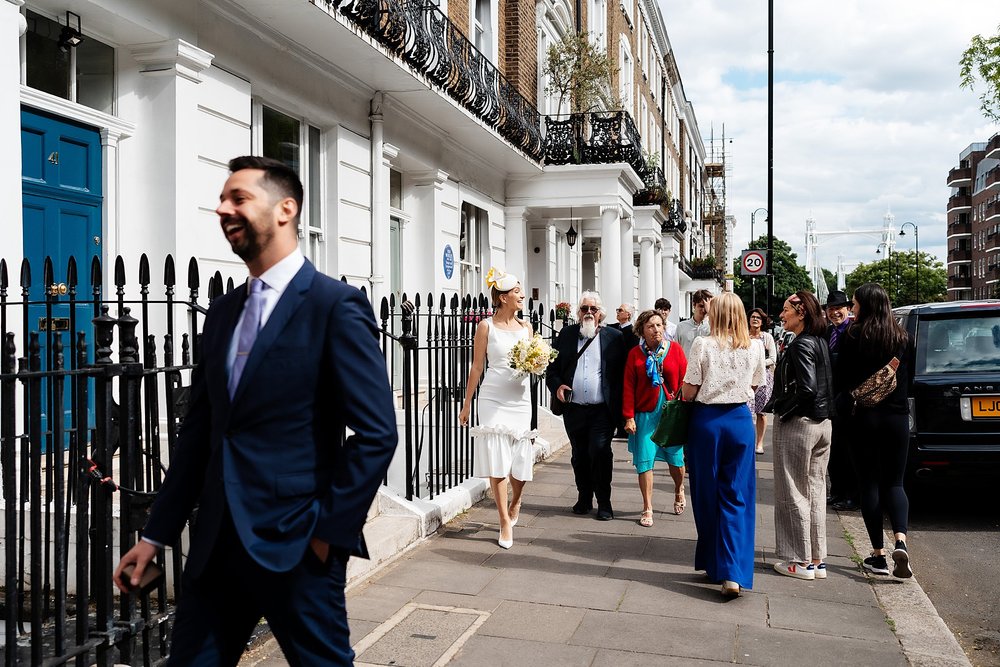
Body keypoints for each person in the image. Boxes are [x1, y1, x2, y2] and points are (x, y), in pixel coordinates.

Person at [113, 156, 398, 666]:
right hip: (216, 544)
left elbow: (377, 433)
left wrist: (326, 533)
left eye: (238, 198)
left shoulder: (335, 306)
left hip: (296, 546)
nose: (223, 209)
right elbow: (201, 432)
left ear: (286, 209)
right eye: (223, 199)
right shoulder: (223, 312)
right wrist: (156, 534)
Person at [681, 291, 766, 598]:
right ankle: (733, 571)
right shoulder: (755, 347)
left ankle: (714, 562)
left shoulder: (702, 344)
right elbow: (756, 385)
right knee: (737, 495)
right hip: (740, 422)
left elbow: (689, 390)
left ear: (715, 314)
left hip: (708, 423)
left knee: (707, 494)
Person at [834, 282, 914, 579]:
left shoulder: (852, 336)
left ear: (865, 305)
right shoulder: (903, 338)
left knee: (868, 484)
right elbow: (910, 382)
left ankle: (879, 557)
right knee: (895, 483)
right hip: (896, 420)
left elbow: (841, 381)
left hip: (862, 419)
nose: (852, 308)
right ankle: (901, 541)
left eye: (854, 303)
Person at [459, 268, 534, 549]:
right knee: (498, 458)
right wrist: (467, 403)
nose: (522, 295)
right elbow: (477, 367)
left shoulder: (527, 328)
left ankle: (516, 502)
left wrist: (537, 364)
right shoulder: (485, 327)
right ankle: (503, 519)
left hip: (520, 398)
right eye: (517, 291)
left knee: (519, 461)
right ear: (502, 298)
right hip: (492, 398)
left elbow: (535, 359)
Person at [766, 291, 834, 581]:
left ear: (801, 312)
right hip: (823, 425)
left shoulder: (800, 346)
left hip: (800, 425)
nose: (781, 316)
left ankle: (800, 561)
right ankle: (817, 561)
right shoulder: (819, 342)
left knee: (793, 492)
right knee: (816, 492)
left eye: (785, 310)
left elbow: (806, 389)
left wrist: (782, 408)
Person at [547, 292, 626, 520]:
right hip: (574, 409)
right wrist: (558, 386)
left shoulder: (614, 337)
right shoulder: (567, 335)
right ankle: (584, 498)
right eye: (584, 309)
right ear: (578, 312)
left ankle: (604, 502)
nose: (589, 313)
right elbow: (552, 370)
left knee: (600, 453)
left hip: (602, 410)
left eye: (593, 308)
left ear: (600, 313)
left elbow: (621, 375)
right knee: (579, 456)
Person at [622, 310, 688, 526]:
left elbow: (686, 380)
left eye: (659, 325)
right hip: (645, 415)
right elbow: (628, 387)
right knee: (645, 462)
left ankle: (679, 489)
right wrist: (629, 417)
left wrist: (685, 408)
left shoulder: (675, 350)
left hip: (669, 414)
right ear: (642, 329)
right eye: (651, 326)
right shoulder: (635, 354)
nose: (656, 330)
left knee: (675, 460)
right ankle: (647, 506)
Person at [823, 290, 859, 512]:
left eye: (839, 308)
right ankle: (836, 491)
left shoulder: (854, 333)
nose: (835, 312)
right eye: (831, 309)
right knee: (833, 449)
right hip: (831, 398)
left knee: (849, 451)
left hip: (849, 399)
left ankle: (851, 496)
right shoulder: (828, 333)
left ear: (847, 309)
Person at [747, 308, 777, 455]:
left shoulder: (766, 338)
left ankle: (759, 443)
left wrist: (759, 363)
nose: (755, 319)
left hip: (764, 377)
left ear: (762, 321)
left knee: (761, 411)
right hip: (746, 376)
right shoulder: (744, 336)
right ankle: (747, 441)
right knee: (746, 410)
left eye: (758, 317)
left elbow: (773, 358)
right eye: (752, 317)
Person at [676, 289, 713, 355]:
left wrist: (710, 312)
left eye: (707, 306)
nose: (704, 310)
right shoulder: (681, 327)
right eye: (701, 306)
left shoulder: (713, 327)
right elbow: (675, 351)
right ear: (694, 305)